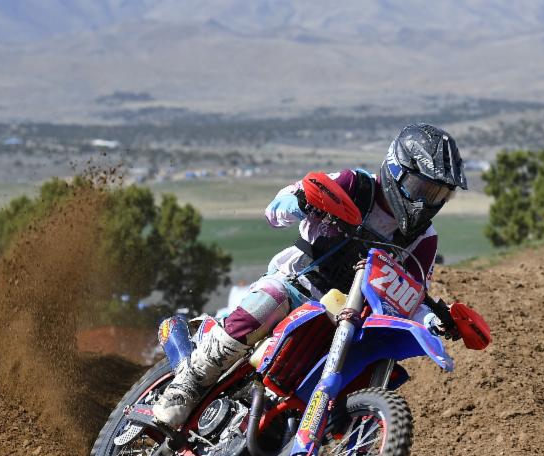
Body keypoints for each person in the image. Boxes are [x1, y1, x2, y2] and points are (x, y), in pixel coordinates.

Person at [153, 122, 467, 427]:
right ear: (396, 170)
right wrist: (300, 202)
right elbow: (277, 208)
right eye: (421, 189)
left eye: (438, 195)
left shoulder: (424, 240)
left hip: (345, 318)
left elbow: (411, 294)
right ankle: (187, 384)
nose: (426, 202)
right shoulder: (355, 185)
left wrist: (432, 320)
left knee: (370, 363)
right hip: (296, 285)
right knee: (269, 300)